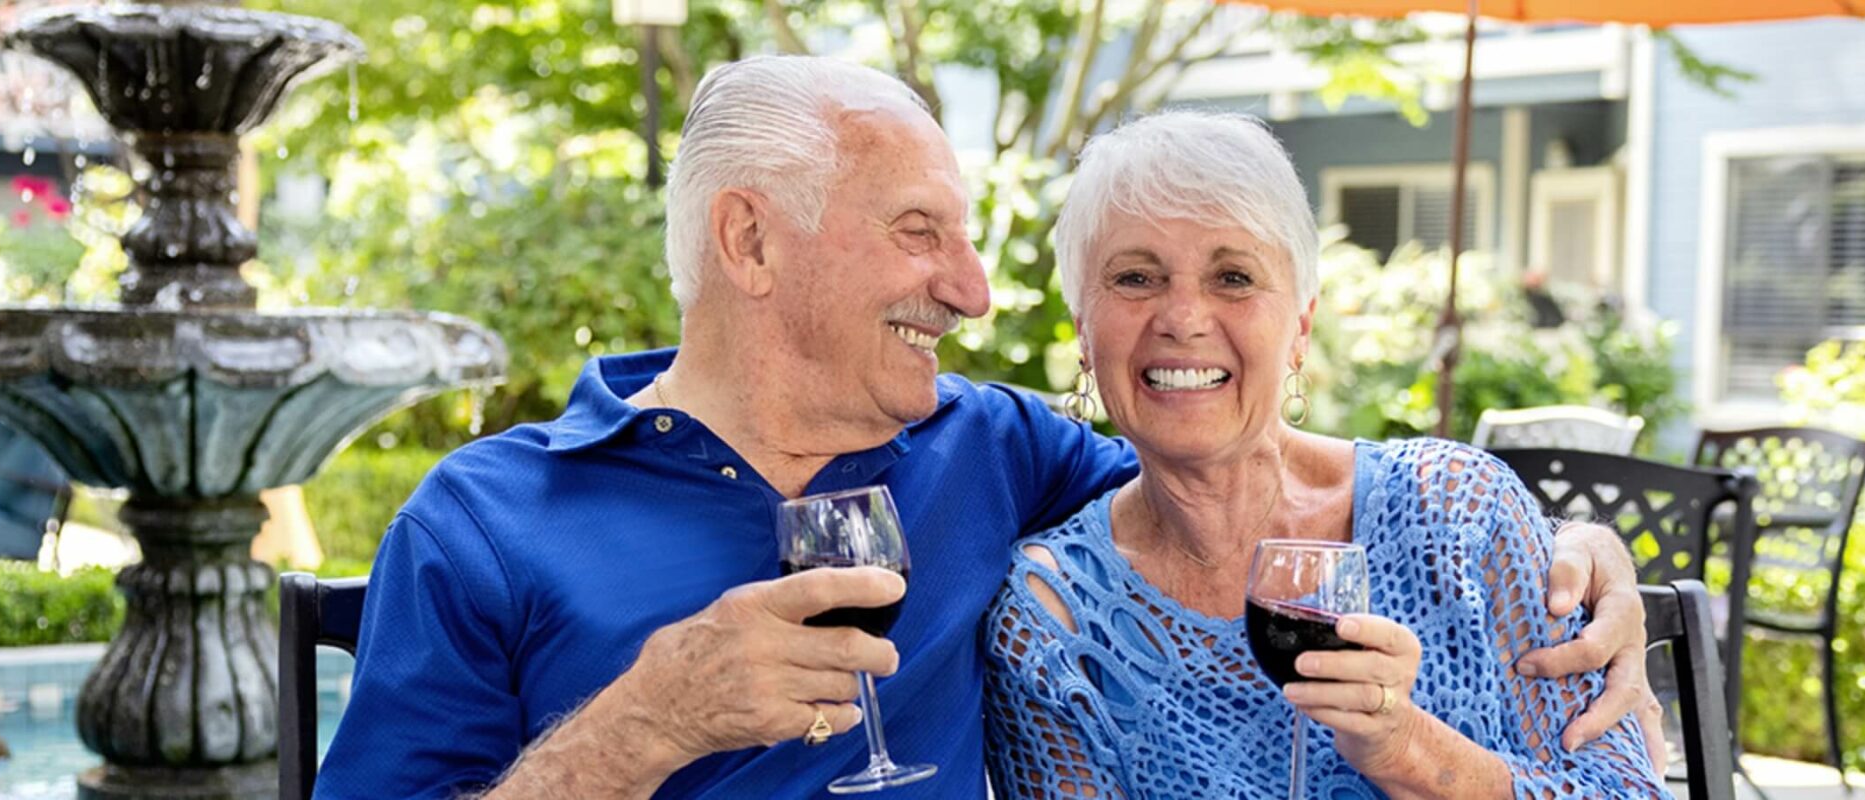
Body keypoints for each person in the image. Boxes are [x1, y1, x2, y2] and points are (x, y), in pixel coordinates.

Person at [317, 56, 1657, 799]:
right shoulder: (488, 520)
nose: (969, 291)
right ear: (751, 240)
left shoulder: (993, 451)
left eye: (970, 242)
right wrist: (644, 728)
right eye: (919, 236)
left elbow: (1222, 453)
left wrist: (1580, 546)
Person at [984, 111, 1666, 798]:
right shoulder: (1057, 622)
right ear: (1082, 331)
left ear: (1300, 327)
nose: (1183, 317)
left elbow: (1626, 788)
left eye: (1234, 278)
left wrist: (1407, 748)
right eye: (1135, 278)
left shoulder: (1459, 514)